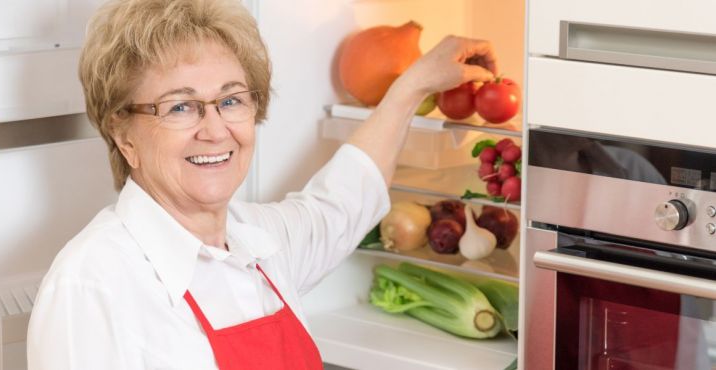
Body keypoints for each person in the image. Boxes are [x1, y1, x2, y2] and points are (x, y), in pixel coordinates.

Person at [25, 0, 497, 369]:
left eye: (230, 100)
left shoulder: (260, 245)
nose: (214, 129)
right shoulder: (91, 283)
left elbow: (343, 200)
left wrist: (413, 85)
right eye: (180, 106)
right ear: (123, 133)